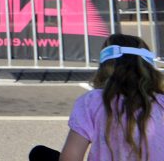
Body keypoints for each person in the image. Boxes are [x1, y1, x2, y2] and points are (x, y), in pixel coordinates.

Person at [29, 34, 163, 161]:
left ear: (105, 67)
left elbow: (70, 158)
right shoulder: (161, 102)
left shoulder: (92, 101)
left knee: (39, 153)